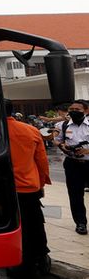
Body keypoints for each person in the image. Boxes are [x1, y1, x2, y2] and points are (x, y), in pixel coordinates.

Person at [4, 99, 52, 277]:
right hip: (29, 188)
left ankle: (21, 260)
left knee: (14, 226)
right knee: (36, 223)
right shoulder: (30, 130)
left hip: (5, 189)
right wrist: (40, 183)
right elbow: (41, 161)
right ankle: (41, 257)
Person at [54, 99, 89, 235]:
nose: (73, 112)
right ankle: (80, 223)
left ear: (86, 111)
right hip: (72, 164)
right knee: (75, 195)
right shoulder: (63, 125)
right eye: (71, 110)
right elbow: (56, 140)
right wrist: (62, 146)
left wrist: (87, 151)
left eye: (77, 110)